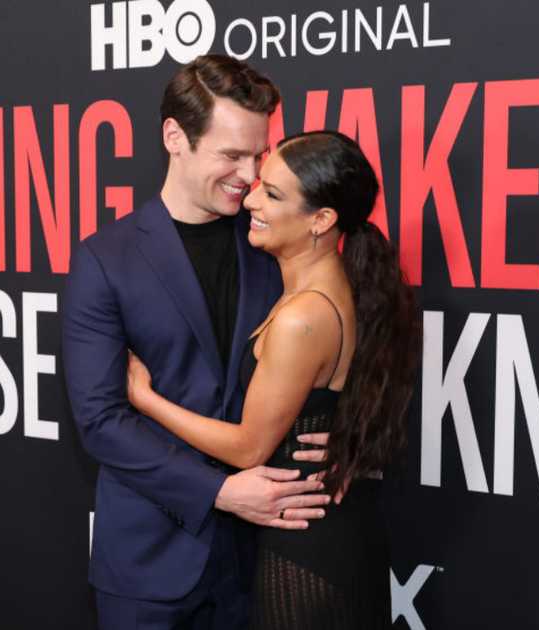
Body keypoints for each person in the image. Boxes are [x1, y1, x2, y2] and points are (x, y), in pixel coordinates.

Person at [62, 55, 334, 630]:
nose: (248, 174)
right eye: (230, 154)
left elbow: (332, 344)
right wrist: (219, 491)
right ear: (174, 137)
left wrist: (344, 437)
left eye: (258, 156)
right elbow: (100, 420)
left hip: (259, 564)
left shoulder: (274, 244)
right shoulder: (104, 261)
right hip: (148, 570)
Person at [127, 130, 422, 629]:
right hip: (315, 535)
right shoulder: (327, 290)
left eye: (274, 194)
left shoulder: (303, 317)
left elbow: (247, 449)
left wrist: (144, 397)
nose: (252, 199)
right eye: (261, 182)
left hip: (307, 551)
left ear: (321, 220)